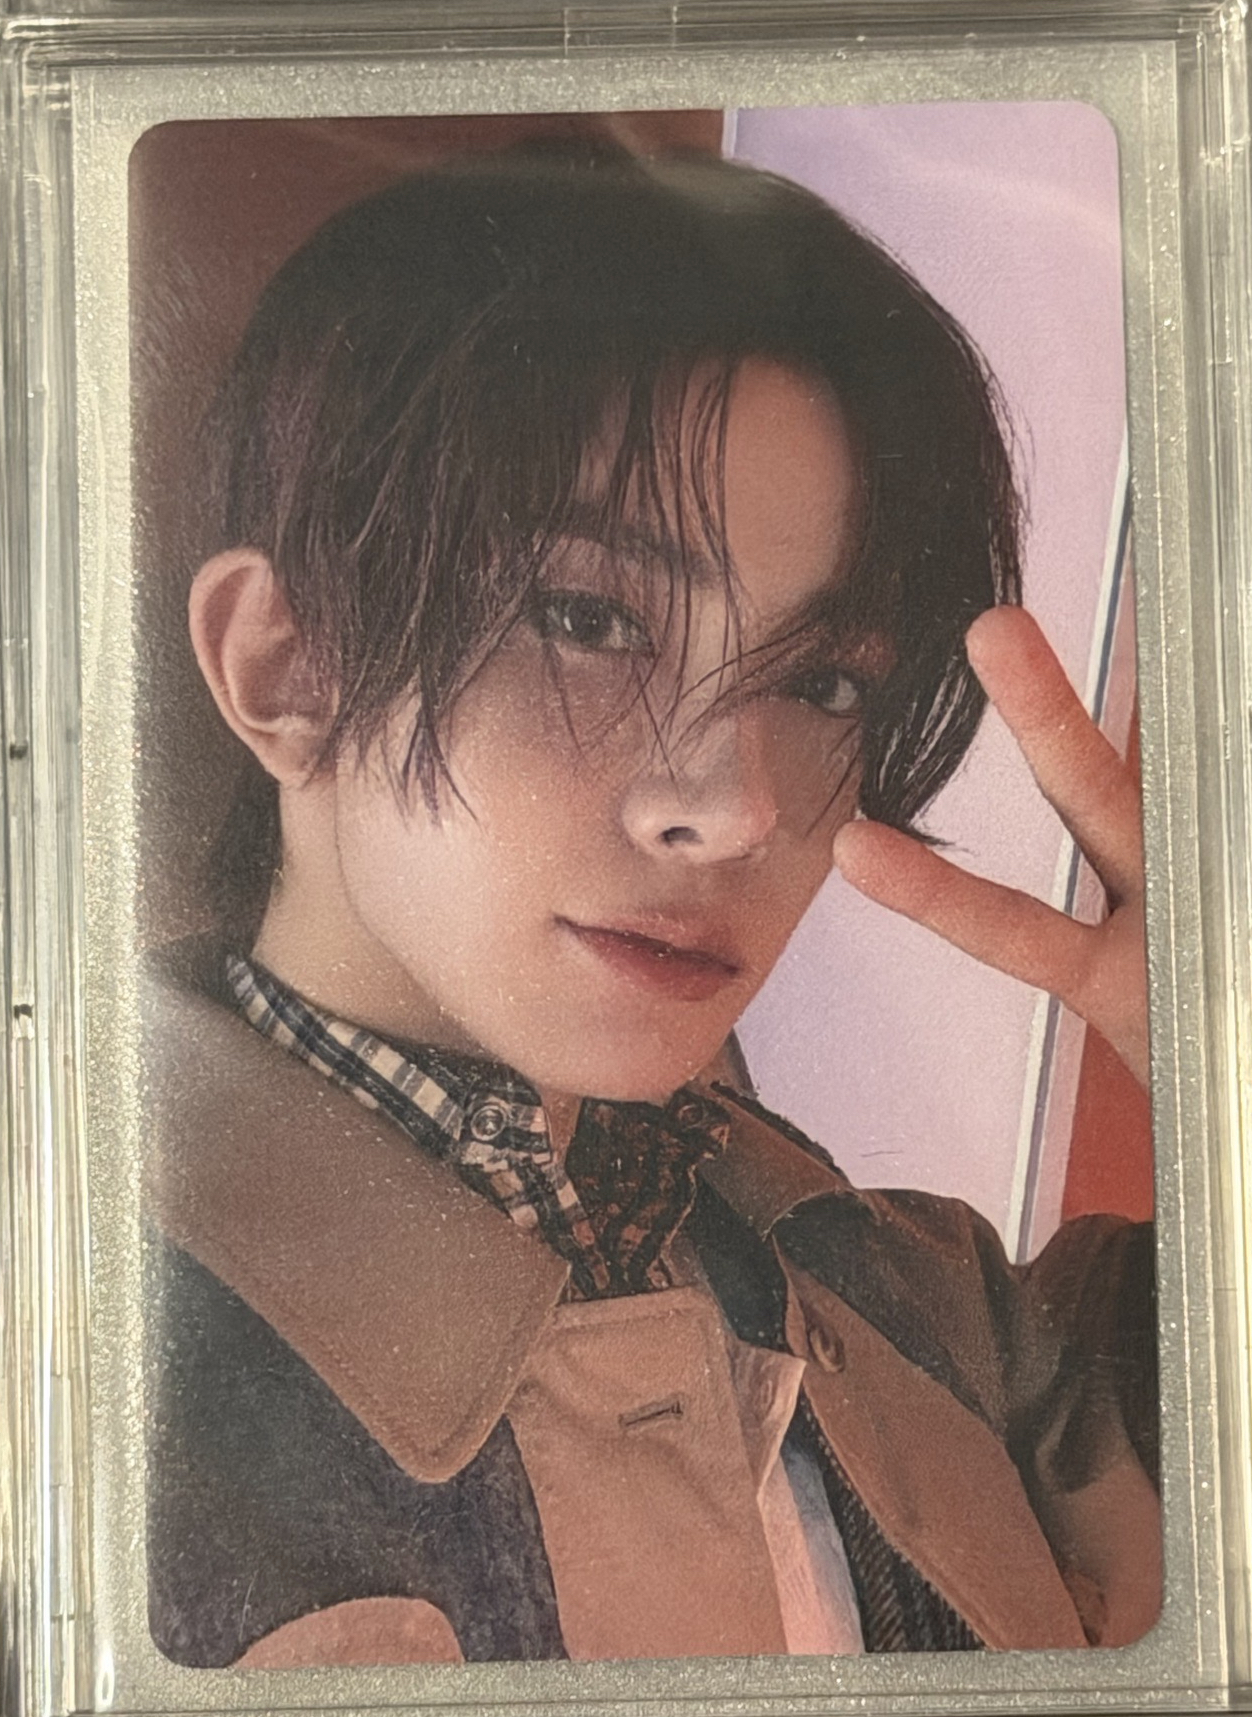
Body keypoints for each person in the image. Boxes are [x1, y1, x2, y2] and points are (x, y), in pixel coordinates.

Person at [142, 138, 1159, 1670]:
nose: (741, 804)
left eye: (825, 681)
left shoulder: (897, 1288)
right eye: (588, 616)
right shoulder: (83, 1411)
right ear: (286, 665)